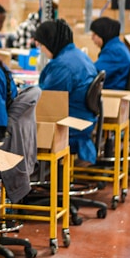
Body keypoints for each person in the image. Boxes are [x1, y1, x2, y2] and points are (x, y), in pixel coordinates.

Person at [34, 19, 98, 163]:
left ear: (50, 42)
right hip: (85, 119)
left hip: (72, 125)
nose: (41, 50)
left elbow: (46, 100)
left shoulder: (62, 66)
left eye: (42, 45)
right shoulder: (79, 55)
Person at [90, 17, 130, 89]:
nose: (92, 38)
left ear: (102, 34)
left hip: (113, 92)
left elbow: (94, 73)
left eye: (94, 34)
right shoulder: (117, 46)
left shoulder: (114, 52)